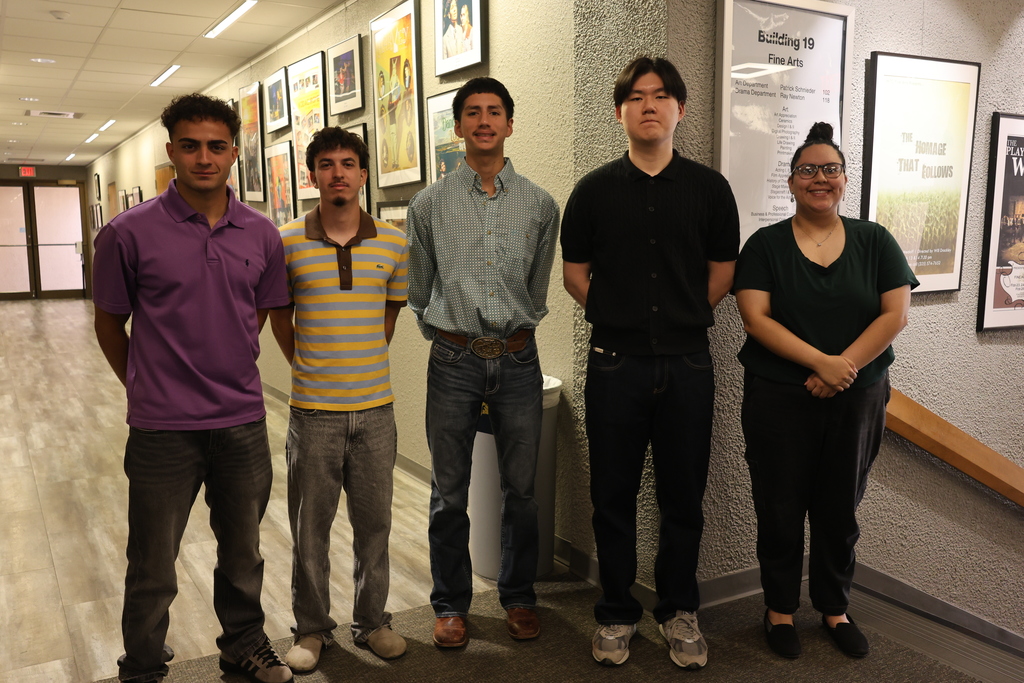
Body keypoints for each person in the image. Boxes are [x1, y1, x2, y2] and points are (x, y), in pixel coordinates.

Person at [92, 93, 293, 683]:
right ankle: (144, 666)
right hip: (161, 429)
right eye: (190, 145)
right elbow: (110, 321)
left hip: (242, 422)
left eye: (216, 146)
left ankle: (242, 643)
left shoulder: (261, 234)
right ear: (172, 151)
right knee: (152, 563)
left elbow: (255, 312)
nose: (203, 157)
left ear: (234, 152)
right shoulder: (127, 234)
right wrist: (143, 379)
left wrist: (224, 359)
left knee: (244, 552)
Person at [561, 57, 739, 670]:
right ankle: (615, 612)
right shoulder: (593, 191)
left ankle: (679, 609)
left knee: (683, 496)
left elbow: (723, 272)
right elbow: (574, 273)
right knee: (612, 495)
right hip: (615, 365)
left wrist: (680, 317)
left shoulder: (710, 190)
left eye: (661, 96)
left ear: (679, 110)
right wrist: (621, 317)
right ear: (620, 112)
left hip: (688, 364)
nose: (648, 106)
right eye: (636, 97)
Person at [734, 122, 917, 660]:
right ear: (790, 183)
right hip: (778, 397)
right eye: (808, 170)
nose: (820, 179)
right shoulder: (765, 244)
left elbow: (895, 312)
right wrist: (822, 363)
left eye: (830, 170)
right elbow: (754, 318)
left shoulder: (875, 240)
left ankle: (835, 609)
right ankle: (780, 610)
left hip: (858, 397)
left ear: (843, 180)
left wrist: (846, 368)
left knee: (841, 506)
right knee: (780, 504)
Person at [406, 77, 560, 649]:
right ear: (459, 126)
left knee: (520, 491)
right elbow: (419, 289)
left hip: (519, 359)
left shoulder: (541, 204)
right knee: (450, 491)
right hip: (454, 358)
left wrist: (516, 329)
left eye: (495, 111)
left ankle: (518, 598)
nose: (484, 120)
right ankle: (450, 605)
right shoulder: (429, 202)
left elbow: (538, 287)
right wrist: (443, 334)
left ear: (510, 124)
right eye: (472, 112)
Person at [269, 127, 410, 672]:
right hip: (313, 413)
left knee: (375, 525)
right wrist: (307, 364)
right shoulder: (286, 242)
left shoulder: (394, 242)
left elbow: (389, 315)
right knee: (310, 529)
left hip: (376, 411)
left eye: (348, 163)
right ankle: (311, 629)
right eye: (326, 165)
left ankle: (372, 621)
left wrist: (361, 360)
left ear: (364, 173)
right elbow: (281, 318)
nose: (338, 174)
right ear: (312, 177)